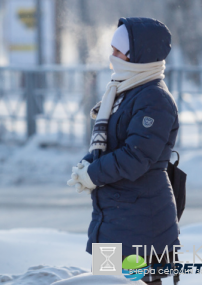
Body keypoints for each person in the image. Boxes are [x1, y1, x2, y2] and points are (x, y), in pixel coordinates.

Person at [67, 17, 179, 284]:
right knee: (107, 280)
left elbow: (136, 156)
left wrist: (93, 174)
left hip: (142, 219)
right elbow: (110, 142)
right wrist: (86, 165)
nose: (112, 56)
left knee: (142, 281)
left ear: (140, 55)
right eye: (113, 49)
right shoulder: (124, 90)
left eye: (120, 51)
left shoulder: (154, 99)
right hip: (115, 214)